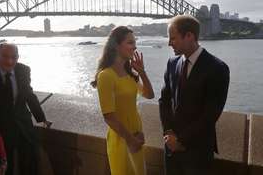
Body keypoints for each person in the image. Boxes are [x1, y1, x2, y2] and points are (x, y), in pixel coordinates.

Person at [159, 15, 230, 175]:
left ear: (189, 36)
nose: (169, 43)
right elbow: (164, 101)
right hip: (171, 148)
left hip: (198, 151)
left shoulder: (217, 68)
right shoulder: (172, 63)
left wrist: (181, 140)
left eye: (173, 38)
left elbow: (211, 113)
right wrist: (168, 132)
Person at [0, 43, 51, 175]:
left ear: (18, 57)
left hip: (23, 126)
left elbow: (28, 94)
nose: (10, 61)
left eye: (14, 57)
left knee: (29, 164)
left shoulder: (23, 70)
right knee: (5, 167)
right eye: (5, 57)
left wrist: (41, 119)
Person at [92, 26, 155, 175]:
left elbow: (149, 95)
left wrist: (142, 72)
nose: (135, 46)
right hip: (122, 140)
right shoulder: (106, 75)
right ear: (116, 45)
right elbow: (109, 117)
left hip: (136, 138)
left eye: (135, 42)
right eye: (130, 42)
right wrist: (131, 140)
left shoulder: (129, 74)